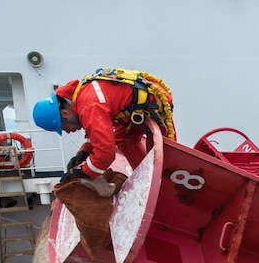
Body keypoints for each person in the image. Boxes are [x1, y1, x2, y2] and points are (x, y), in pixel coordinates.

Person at [31, 68, 176, 195]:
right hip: (137, 109)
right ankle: (146, 182)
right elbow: (96, 131)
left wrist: (84, 172)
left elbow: (106, 153)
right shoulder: (82, 97)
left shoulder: (88, 106)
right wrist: (84, 153)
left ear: (64, 114)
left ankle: (159, 188)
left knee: (164, 165)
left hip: (154, 107)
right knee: (126, 142)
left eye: (63, 128)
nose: (68, 132)